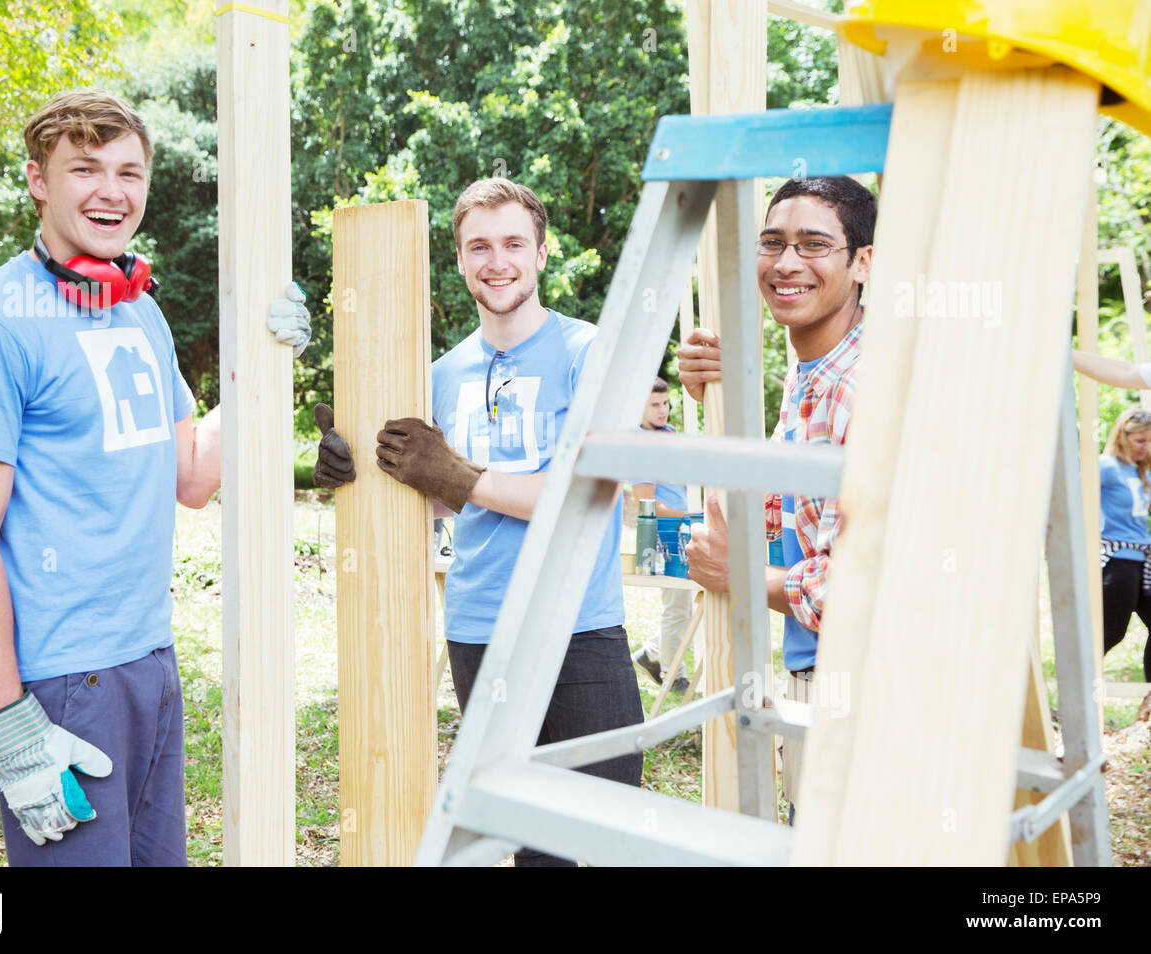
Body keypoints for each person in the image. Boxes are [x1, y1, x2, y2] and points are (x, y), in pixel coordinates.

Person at [0, 90, 309, 866]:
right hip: (63, 684)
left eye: (129, 172)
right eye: (86, 168)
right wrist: (8, 724)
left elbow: (194, 476)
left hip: (151, 661)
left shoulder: (140, 312)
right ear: (38, 179)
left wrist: (266, 364)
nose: (113, 191)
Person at [315, 177, 642, 867]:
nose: (498, 262)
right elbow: (433, 501)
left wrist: (461, 477)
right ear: (459, 260)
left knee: (614, 836)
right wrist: (354, 474)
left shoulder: (590, 352)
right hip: (480, 630)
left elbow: (595, 493)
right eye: (479, 247)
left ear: (544, 253)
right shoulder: (439, 374)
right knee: (528, 848)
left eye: (514, 244)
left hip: (578, 628)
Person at [680, 176, 876, 821]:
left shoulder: (867, 385)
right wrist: (722, 399)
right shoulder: (810, 368)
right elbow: (789, 511)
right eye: (773, 243)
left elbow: (872, 583)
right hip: (816, 666)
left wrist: (746, 577)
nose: (787, 263)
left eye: (814, 245)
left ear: (864, 262)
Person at [631, 377, 693, 694]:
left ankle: (652, 653)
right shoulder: (641, 444)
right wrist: (687, 516)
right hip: (663, 533)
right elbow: (646, 502)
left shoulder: (668, 435)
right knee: (678, 605)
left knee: (685, 605)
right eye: (654, 405)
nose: (662, 410)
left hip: (683, 527)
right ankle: (674, 675)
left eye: (665, 403)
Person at [1096, 407, 1151, 681]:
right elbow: (1073, 501)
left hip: (1144, 559)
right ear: (1122, 437)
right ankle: (1074, 688)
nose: (1146, 447)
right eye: (1140, 441)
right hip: (1118, 560)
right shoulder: (1106, 467)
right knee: (1112, 631)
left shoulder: (1143, 472)